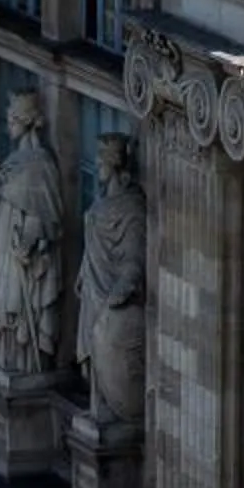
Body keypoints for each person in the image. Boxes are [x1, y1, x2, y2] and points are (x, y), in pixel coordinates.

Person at [0, 89, 64, 376]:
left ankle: (25, 363)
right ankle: (9, 357)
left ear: (26, 121)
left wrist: (26, 246)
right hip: (7, 247)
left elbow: (43, 215)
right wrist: (0, 234)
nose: (8, 127)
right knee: (2, 304)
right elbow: (13, 208)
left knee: (17, 308)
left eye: (12, 121)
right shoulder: (18, 159)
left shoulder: (40, 164)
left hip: (23, 254)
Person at [74, 132, 147, 425]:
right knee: (95, 350)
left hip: (111, 294)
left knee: (105, 345)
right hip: (94, 287)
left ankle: (109, 404)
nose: (96, 164)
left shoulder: (131, 209)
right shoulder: (105, 201)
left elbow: (134, 257)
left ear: (113, 164)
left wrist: (123, 287)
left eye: (100, 160)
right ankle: (98, 402)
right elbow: (93, 246)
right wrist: (83, 272)